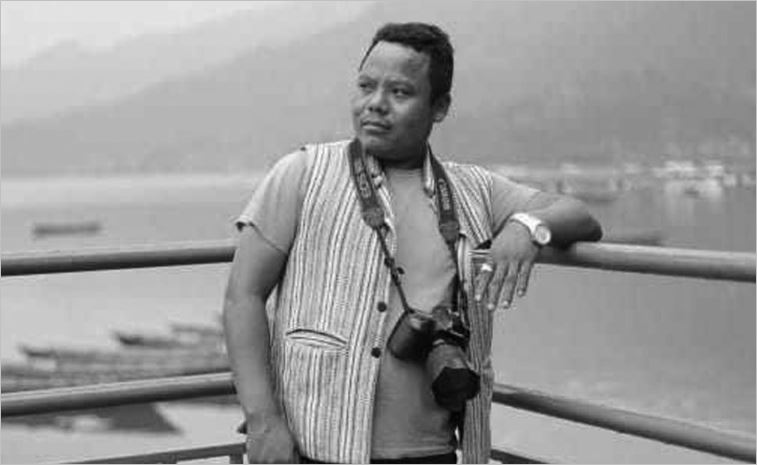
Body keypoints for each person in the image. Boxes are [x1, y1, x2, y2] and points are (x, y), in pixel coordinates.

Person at [223, 22, 602, 464]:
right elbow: (243, 296)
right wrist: (263, 421)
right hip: (318, 447)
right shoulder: (303, 173)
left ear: (439, 107)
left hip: (433, 451)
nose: (375, 104)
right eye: (366, 86)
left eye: (400, 92)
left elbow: (580, 216)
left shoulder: (472, 188)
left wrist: (524, 227)